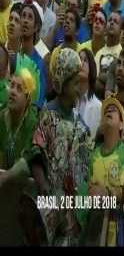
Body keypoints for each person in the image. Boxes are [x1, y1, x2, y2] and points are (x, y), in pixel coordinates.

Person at [21, 49, 93, 245]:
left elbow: (85, 173)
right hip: (48, 211)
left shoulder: (82, 128)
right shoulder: (47, 115)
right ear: (62, 83)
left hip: (70, 218)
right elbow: (35, 153)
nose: (79, 88)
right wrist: (43, 184)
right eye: (75, 82)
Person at [0, 63, 38, 170]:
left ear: (28, 99)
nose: (13, 92)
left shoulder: (33, 125)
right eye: (12, 85)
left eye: (19, 89)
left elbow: (26, 166)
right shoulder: (1, 117)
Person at [77, 49, 102, 141]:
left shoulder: (98, 106)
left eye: (85, 60)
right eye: (79, 60)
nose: (81, 63)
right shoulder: (69, 98)